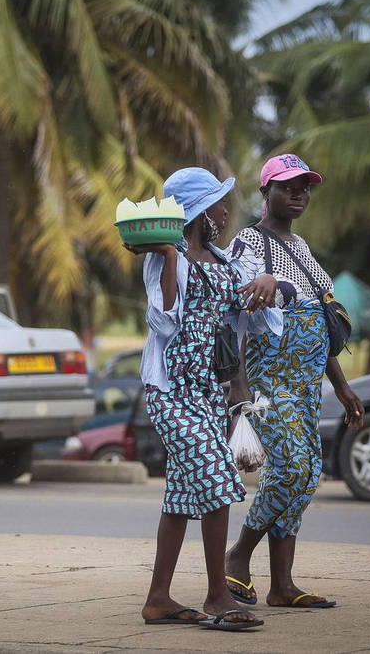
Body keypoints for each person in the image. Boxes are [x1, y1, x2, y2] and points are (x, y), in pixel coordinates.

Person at [127, 167, 280, 631]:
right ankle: (217, 594)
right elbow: (165, 319)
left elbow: (245, 317)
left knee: (179, 498)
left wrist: (268, 284)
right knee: (216, 477)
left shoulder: (222, 259)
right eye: (216, 203)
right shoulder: (163, 258)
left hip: (208, 394)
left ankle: (158, 599)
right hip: (171, 392)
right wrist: (170, 257)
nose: (224, 210)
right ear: (196, 212)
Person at [224, 153, 365, 609]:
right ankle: (238, 556)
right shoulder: (248, 242)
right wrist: (237, 384)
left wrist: (341, 387)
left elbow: (321, 324)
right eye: (288, 186)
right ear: (265, 193)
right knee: (290, 470)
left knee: (306, 481)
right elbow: (234, 317)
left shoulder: (301, 249)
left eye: (306, 186)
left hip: (306, 387)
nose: (300, 193)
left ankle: (282, 586)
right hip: (269, 384)